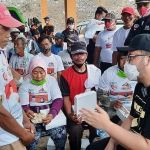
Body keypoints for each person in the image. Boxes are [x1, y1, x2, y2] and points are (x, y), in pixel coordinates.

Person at [80, 34, 150, 150]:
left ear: (148, 59)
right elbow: (131, 118)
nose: (127, 63)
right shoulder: (140, 86)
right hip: (132, 136)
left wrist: (107, 125)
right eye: (126, 58)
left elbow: (146, 146)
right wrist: (113, 142)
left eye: (131, 57)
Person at [0, 3, 35, 150]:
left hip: (15, 130)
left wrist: (25, 119)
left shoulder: (2, 52)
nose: (9, 34)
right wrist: (23, 134)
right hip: (6, 139)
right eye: (5, 28)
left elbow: (11, 93)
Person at [19, 57, 67, 150]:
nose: (39, 76)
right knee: (30, 139)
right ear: (30, 71)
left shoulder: (51, 81)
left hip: (50, 114)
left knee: (61, 135)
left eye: (42, 72)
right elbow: (24, 105)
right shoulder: (25, 84)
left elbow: (58, 100)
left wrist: (51, 114)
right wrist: (27, 111)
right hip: (33, 118)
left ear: (45, 71)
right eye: (35, 72)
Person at [60, 41, 101, 150]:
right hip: (73, 110)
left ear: (86, 55)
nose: (79, 57)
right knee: (75, 130)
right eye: (76, 54)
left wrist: (94, 111)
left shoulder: (94, 72)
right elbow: (66, 98)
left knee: (98, 127)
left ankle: (94, 146)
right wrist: (70, 114)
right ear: (71, 56)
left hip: (90, 109)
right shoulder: (65, 75)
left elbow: (97, 95)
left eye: (82, 54)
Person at [97, 50, 137, 125]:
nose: (125, 62)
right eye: (122, 59)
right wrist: (112, 103)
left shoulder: (139, 73)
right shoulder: (109, 72)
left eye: (128, 59)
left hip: (133, 110)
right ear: (118, 59)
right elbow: (100, 94)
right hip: (113, 110)